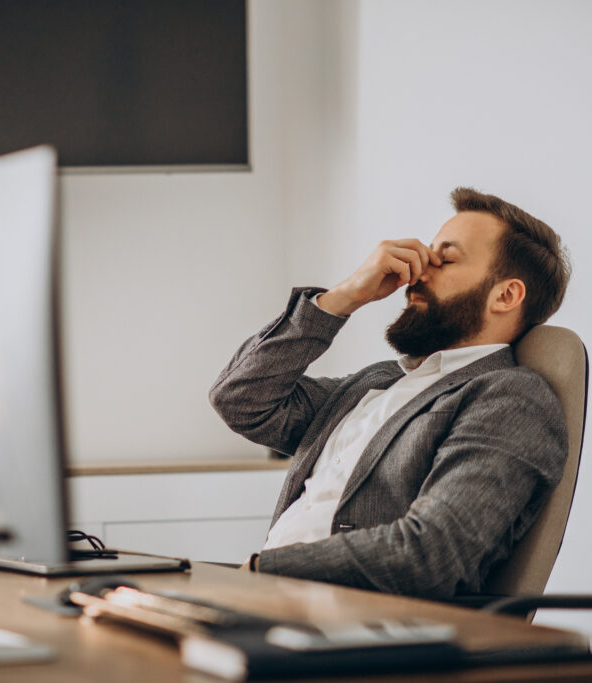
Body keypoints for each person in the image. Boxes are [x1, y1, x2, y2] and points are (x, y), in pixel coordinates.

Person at [209, 187, 571, 599]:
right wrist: (342, 297)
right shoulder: (375, 383)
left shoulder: (509, 399)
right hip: (271, 602)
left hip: (359, 627)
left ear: (505, 295)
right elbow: (239, 399)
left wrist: (266, 569)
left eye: (445, 259)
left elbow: (431, 554)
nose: (416, 273)